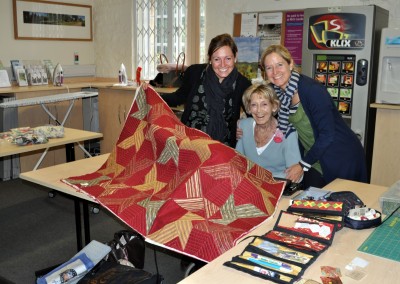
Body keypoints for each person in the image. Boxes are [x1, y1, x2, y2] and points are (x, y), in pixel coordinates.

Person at [257, 44, 367, 188]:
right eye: (269, 67)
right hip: (314, 156)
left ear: (290, 64)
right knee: (307, 201)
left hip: (339, 155)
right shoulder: (274, 91)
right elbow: (254, 102)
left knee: (341, 204)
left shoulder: (312, 90)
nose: (275, 71)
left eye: (279, 65)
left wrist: (302, 165)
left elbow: (327, 134)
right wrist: (245, 126)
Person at [160, 33, 251, 148]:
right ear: (210, 59)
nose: (223, 65)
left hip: (223, 149)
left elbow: (254, 113)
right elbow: (178, 97)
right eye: (217, 59)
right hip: (189, 144)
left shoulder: (243, 84)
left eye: (228, 58)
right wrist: (152, 94)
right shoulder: (195, 73)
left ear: (235, 57)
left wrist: (243, 126)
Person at [236, 82, 302, 181]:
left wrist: (260, 178)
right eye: (254, 105)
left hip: (277, 188)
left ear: (274, 106)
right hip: (248, 187)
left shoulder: (287, 133)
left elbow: (297, 176)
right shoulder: (243, 126)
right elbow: (237, 162)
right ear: (249, 108)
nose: (259, 110)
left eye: (264, 104)